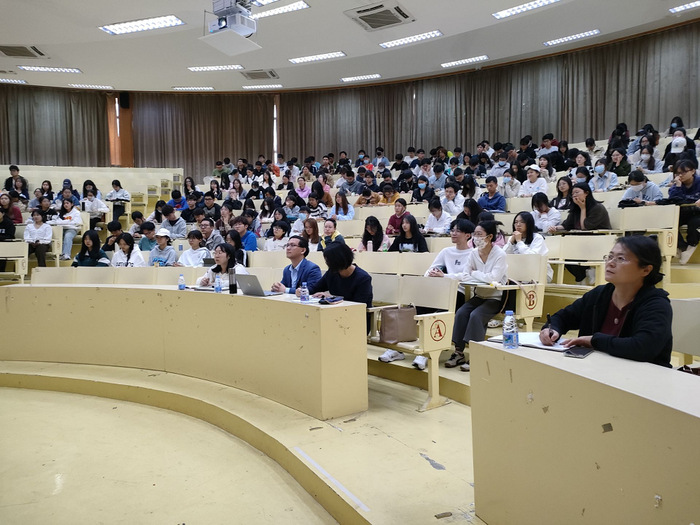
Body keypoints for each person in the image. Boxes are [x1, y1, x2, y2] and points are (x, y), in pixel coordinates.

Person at [540, 236, 672, 367]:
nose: (611, 263)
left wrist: (594, 340)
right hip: (595, 371)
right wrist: (552, 330)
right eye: (610, 257)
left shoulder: (656, 304)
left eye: (621, 259)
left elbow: (643, 348)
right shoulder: (599, 294)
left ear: (646, 270)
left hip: (641, 376)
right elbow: (563, 317)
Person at [446, 221, 508, 371]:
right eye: (474, 234)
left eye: (479, 234)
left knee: (476, 315)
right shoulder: (473, 253)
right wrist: (480, 276)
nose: (475, 238)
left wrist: (474, 273)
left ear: (490, 236)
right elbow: (465, 275)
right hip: (479, 296)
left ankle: (476, 355)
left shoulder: (500, 254)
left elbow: (494, 278)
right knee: (461, 313)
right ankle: (458, 352)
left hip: (495, 298)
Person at [552, 183, 612, 284]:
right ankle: (582, 276)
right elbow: (567, 225)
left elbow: (585, 227)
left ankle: (585, 273)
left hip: (597, 241)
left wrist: (583, 209)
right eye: (572, 194)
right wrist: (555, 228)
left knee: (572, 251)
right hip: (580, 242)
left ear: (586, 193)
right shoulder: (575, 209)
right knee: (564, 255)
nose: (574, 195)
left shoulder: (598, 208)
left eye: (577, 192)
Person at [307, 242, 373, 328]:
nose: (326, 263)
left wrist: (332, 298)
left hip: (357, 321)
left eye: (327, 260)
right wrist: (304, 291)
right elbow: (316, 288)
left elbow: (357, 306)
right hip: (335, 316)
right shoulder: (332, 273)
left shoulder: (363, 278)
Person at [504, 212, 552, 281]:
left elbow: (532, 258)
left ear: (529, 223)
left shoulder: (537, 238)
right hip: (520, 272)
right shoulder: (512, 238)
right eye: (516, 222)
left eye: (522, 222)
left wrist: (519, 242)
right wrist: (510, 243)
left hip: (539, 272)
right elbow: (503, 256)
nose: (518, 224)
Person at [668, 160, 700, 264]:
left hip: (697, 213)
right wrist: (678, 186)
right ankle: (683, 247)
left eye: (684, 172)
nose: (680, 175)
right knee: (668, 222)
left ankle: (692, 245)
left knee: (695, 224)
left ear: (693, 171)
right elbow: (674, 200)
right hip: (682, 212)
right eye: (678, 173)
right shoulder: (676, 186)